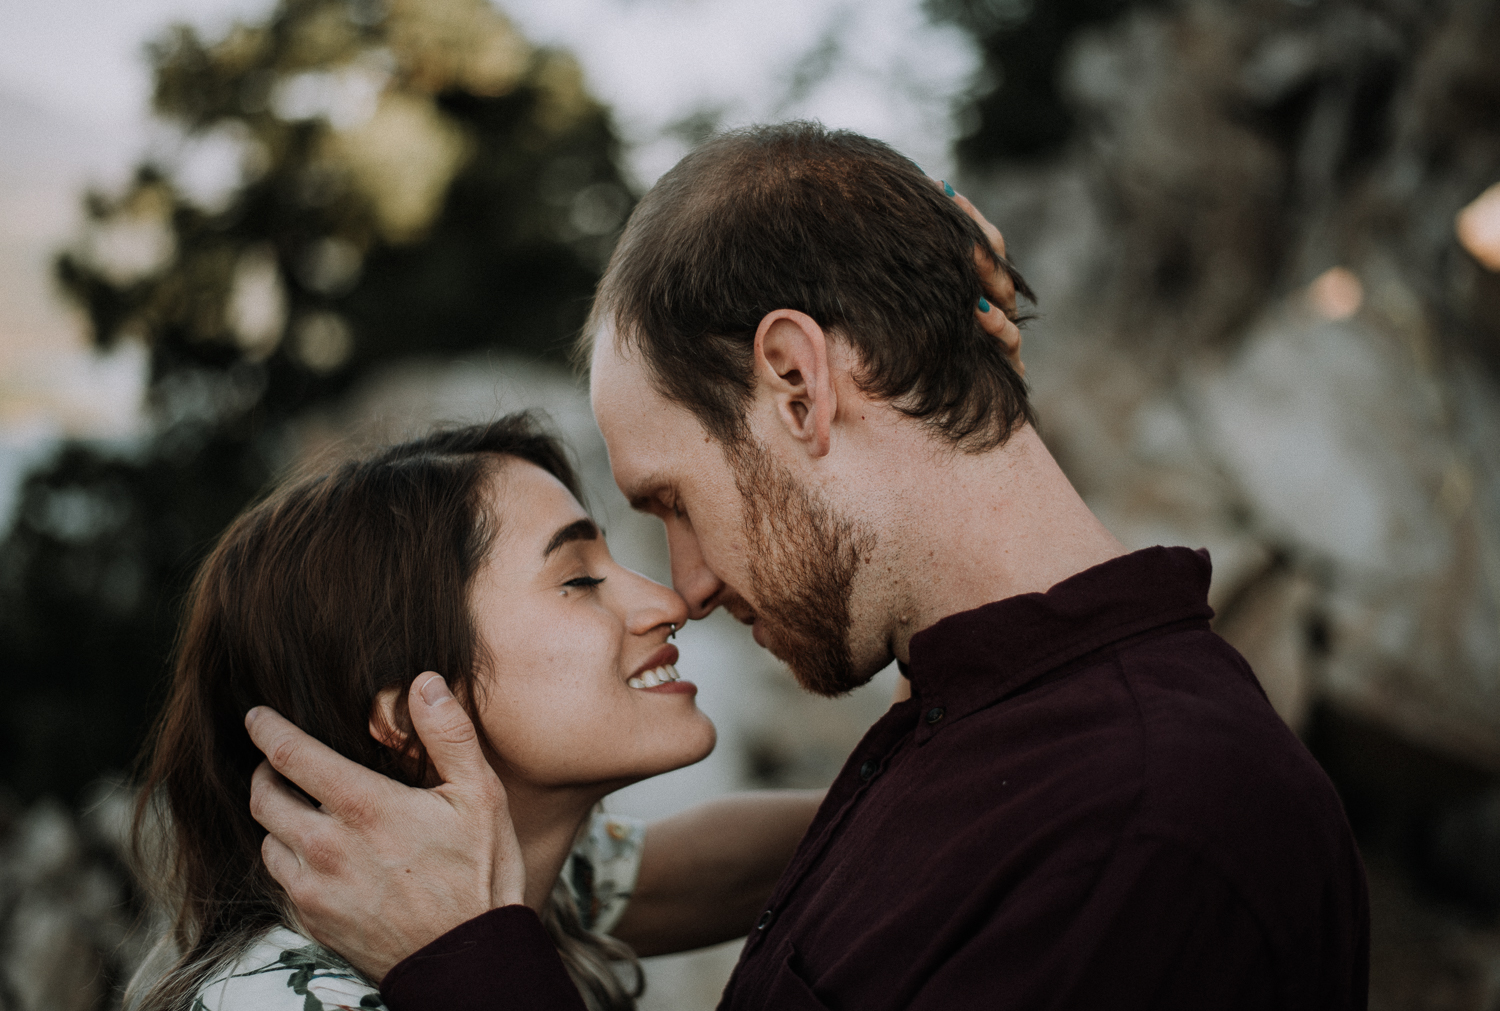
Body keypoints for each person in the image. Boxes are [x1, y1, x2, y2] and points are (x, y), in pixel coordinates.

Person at [247, 123, 1370, 1009]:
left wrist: (474, 973)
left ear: (797, 382)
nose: (684, 586)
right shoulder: (973, 738)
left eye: (674, 503)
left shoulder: (1143, 831)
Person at [129, 416, 822, 1011]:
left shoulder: (520, 873)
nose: (668, 603)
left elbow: (723, 870)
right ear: (412, 716)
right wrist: (477, 956)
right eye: (579, 579)